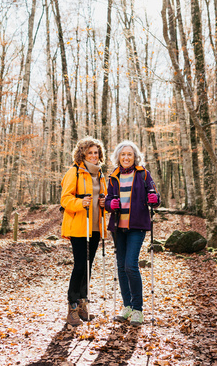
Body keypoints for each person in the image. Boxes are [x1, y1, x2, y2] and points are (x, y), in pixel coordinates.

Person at [105, 140, 160, 326]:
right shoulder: (113, 177)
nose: (126, 157)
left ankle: (138, 309)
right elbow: (107, 200)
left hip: (137, 226)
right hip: (118, 227)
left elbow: (154, 196)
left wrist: (155, 199)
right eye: (123, 154)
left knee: (130, 265)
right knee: (121, 267)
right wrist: (109, 204)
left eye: (129, 154)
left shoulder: (143, 174)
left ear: (135, 156)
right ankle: (127, 306)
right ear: (118, 157)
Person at [61, 136, 107, 326]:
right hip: (79, 225)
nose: (94, 156)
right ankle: (72, 306)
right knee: (80, 266)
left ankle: (82, 304)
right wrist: (81, 203)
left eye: (96, 152)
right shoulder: (75, 172)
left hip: (95, 226)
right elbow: (65, 199)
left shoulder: (101, 174)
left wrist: (104, 203)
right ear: (83, 154)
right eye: (90, 153)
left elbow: (102, 197)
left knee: (88, 267)